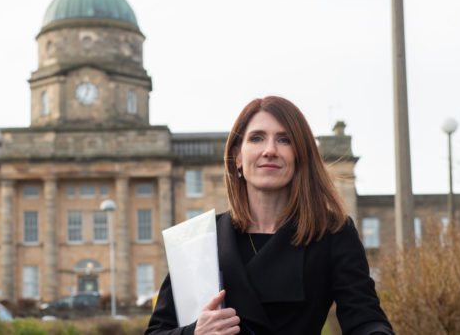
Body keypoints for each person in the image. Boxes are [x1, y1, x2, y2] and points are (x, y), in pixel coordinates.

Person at [145, 96, 394, 335]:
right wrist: (194, 333)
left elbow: (365, 320)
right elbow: (157, 331)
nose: (270, 150)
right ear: (237, 157)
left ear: (300, 156)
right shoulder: (200, 238)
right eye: (256, 138)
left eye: (284, 140)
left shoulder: (331, 233)